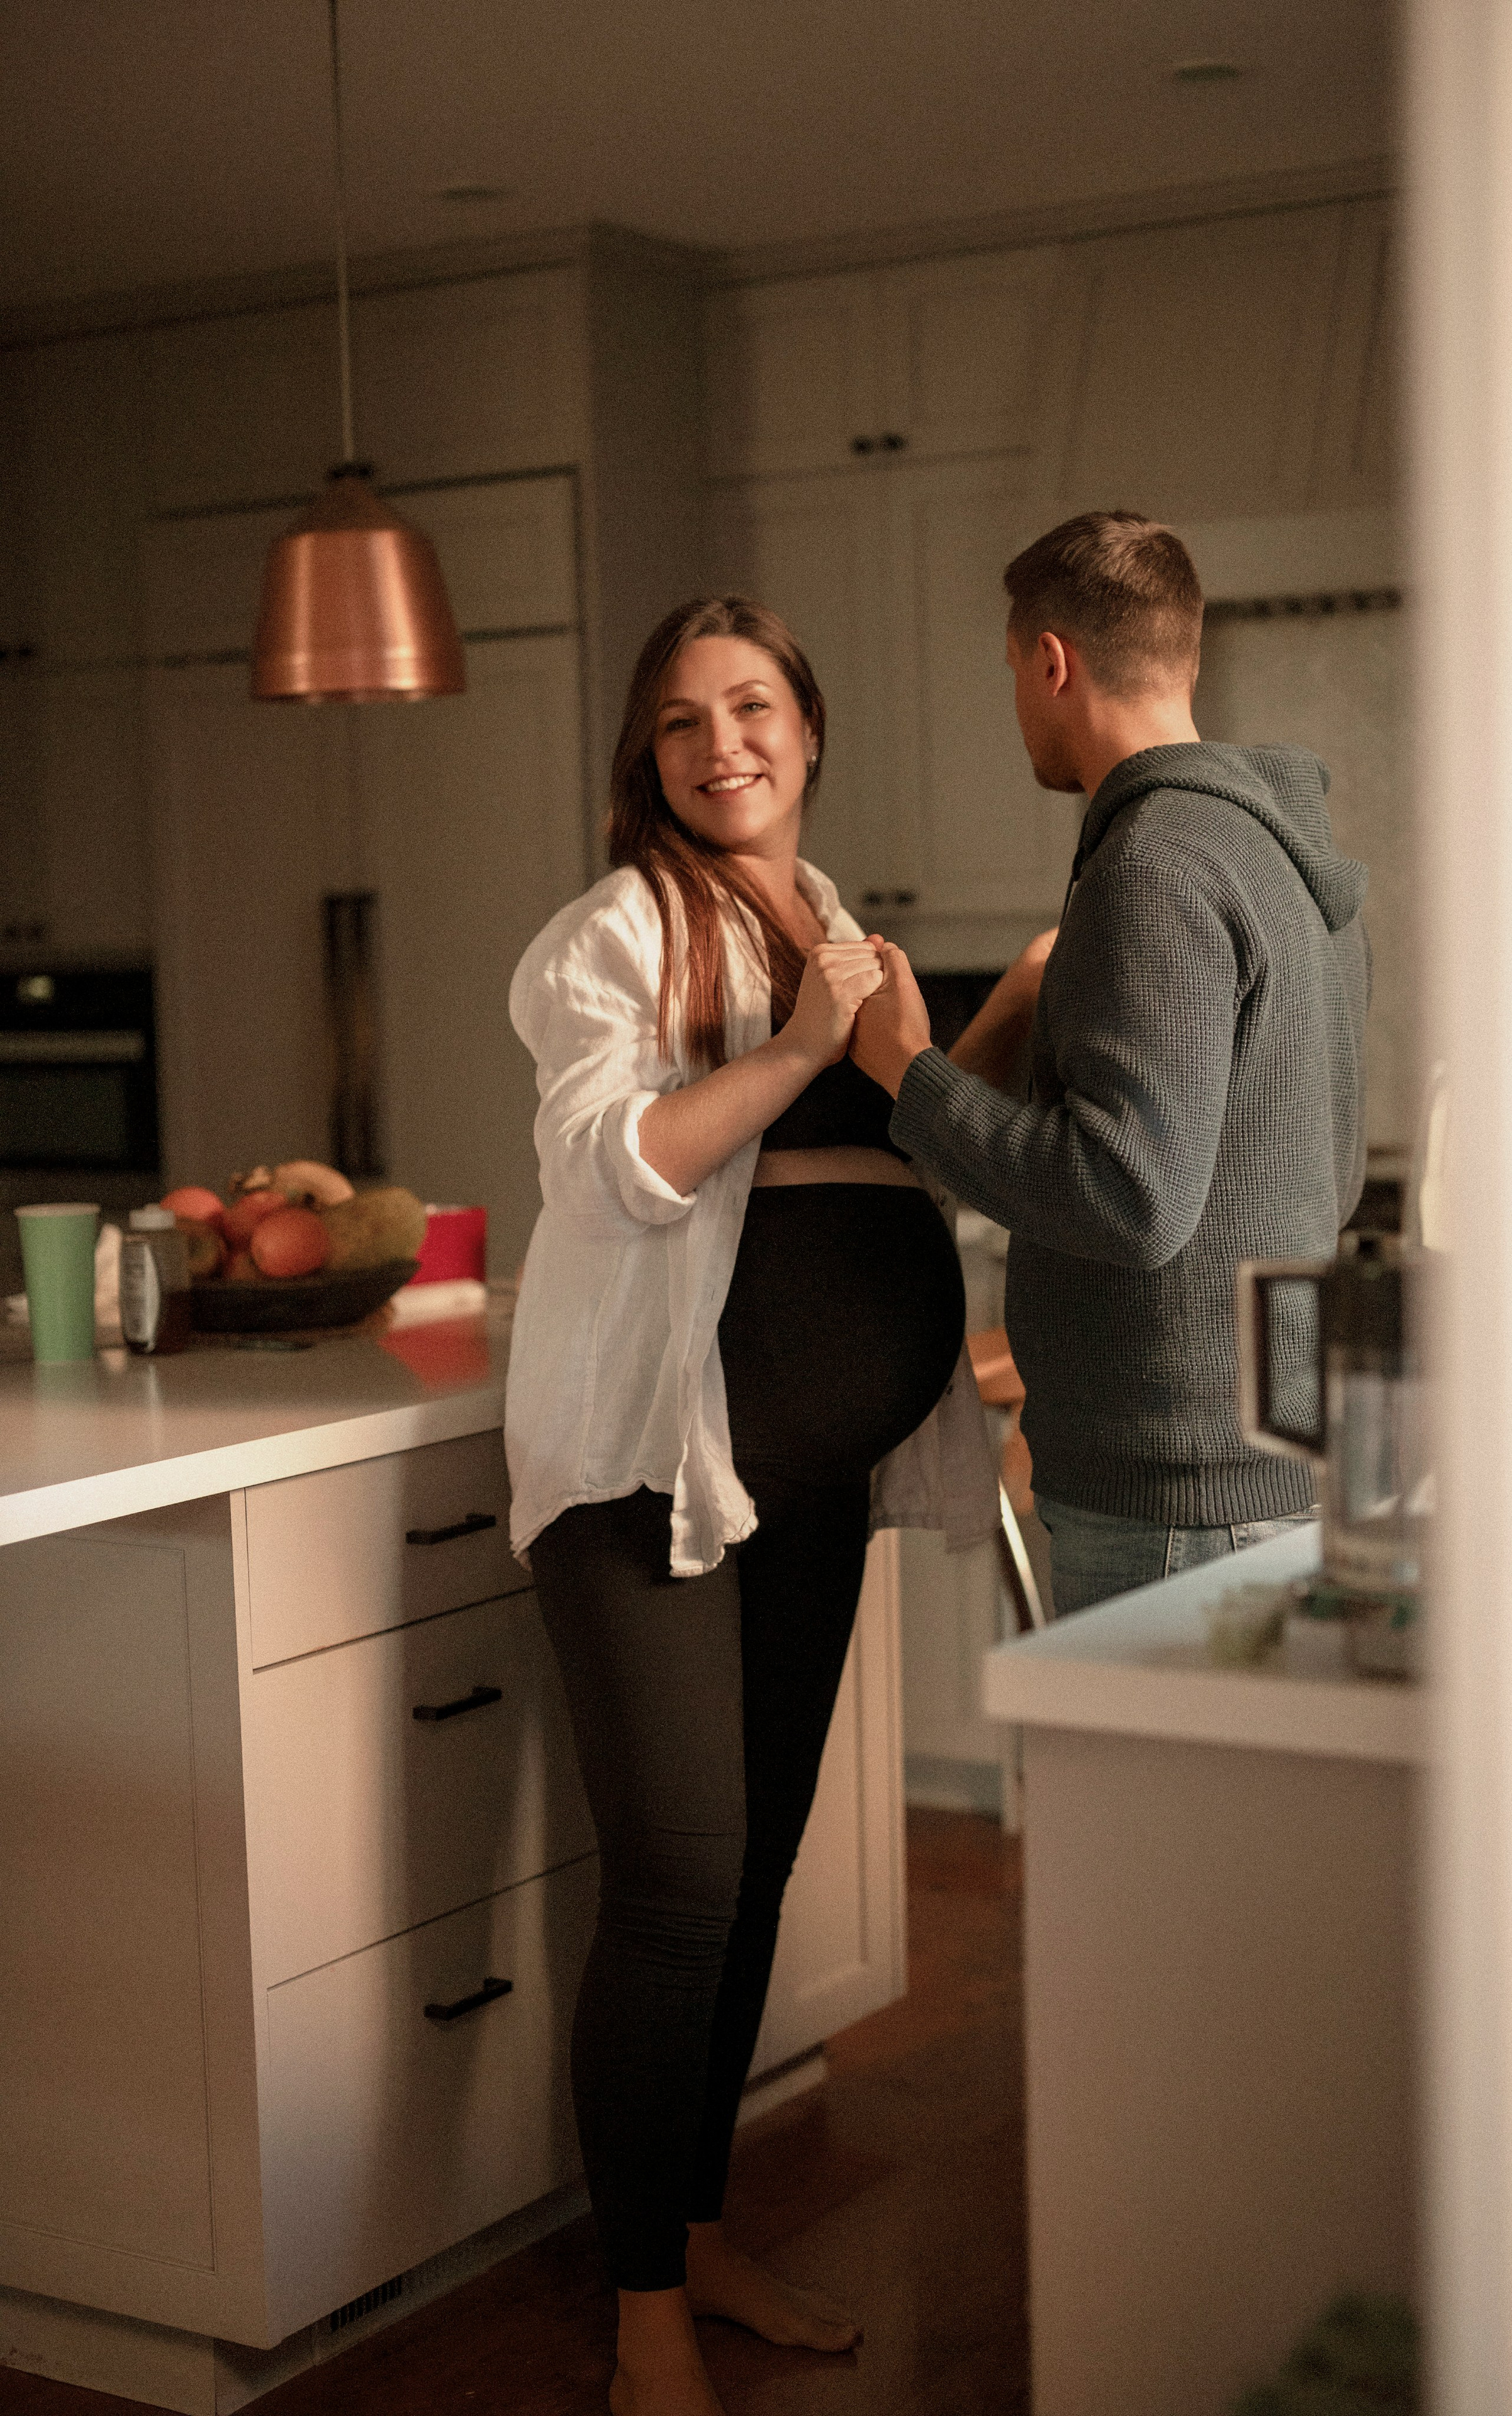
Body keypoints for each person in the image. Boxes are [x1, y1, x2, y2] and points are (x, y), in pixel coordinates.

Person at [503, 595, 995, 2416]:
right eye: (688, 718)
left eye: (758, 706)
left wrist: (968, 1031)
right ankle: (644, 2310)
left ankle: (690, 2227)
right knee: (681, 1890)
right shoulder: (614, 932)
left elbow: (905, 1153)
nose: (727, 744)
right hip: (648, 1465)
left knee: (757, 1871)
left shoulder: (836, 914)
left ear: (809, 726)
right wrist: (793, 1050)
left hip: (802, 1473)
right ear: (649, 751)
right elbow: (617, 1168)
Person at [850, 510, 1369, 1618]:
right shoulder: (1274, 855)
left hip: (1174, 1505)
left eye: (1014, 674)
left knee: (1149, 1798)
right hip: (1262, 1466)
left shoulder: (1154, 865)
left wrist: (911, 1072)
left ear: (1053, 663)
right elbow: (1323, 1167)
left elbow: (1129, 1198)